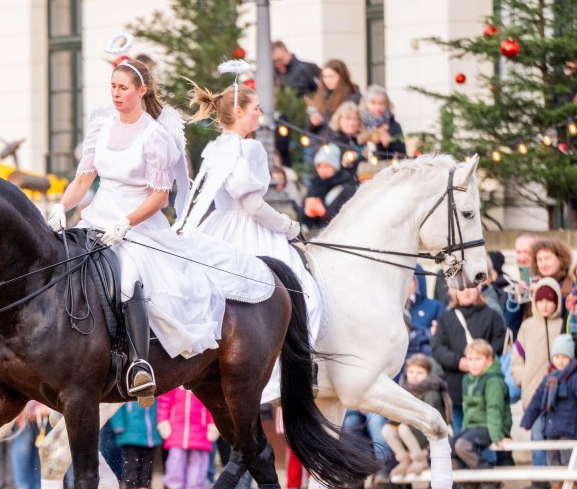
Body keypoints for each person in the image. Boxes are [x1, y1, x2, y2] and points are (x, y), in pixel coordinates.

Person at [48, 52, 273, 404]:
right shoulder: (101, 127)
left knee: (127, 279)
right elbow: (83, 178)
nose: (116, 94)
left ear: (141, 91)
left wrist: (126, 222)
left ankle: (139, 364)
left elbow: (160, 196)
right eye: (113, 87)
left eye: (123, 88)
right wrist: (61, 207)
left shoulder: (154, 136)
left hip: (140, 227)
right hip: (98, 217)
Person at [179, 77, 326, 390]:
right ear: (239, 110)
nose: (260, 115)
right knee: (304, 293)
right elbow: (252, 205)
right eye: (256, 109)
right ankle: (297, 370)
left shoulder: (215, 147)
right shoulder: (250, 148)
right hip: (248, 229)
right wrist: (288, 226)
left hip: (217, 227)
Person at [519, 334, 577, 489]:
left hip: (569, 427)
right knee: (552, 458)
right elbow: (536, 399)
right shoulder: (549, 378)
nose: (560, 361)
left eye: (564, 357)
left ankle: (573, 485)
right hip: (550, 427)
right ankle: (557, 484)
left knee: (568, 457)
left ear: (570, 358)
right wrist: (527, 421)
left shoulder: (576, 378)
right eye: (557, 357)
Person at [511, 278, 566, 489]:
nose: (544, 305)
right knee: (537, 437)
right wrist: (522, 379)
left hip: (560, 394)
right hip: (532, 392)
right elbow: (517, 358)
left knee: (558, 438)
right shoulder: (527, 326)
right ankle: (540, 479)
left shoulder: (562, 324)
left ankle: (560, 480)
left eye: (549, 300)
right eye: (540, 300)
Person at [432, 286, 507, 432]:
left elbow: (499, 342)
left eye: (471, 287)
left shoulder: (492, 316)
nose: (466, 292)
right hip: (455, 387)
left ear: (478, 289)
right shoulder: (445, 318)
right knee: (460, 434)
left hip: (486, 387)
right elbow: (438, 348)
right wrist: (458, 362)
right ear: (454, 292)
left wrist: (480, 360)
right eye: (461, 288)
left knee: (487, 433)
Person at [450, 339, 510, 489]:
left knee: (462, 445)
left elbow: (494, 410)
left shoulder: (493, 380)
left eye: (478, 359)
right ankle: (471, 482)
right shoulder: (467, 379)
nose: (473, 364)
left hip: (490, 427)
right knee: (447, 449)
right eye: (470, 359)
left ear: (489, 360)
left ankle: (491, 480)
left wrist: (498, 436)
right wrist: (462, 431)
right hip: (472, 428)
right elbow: (467, 410)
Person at [380, 353, 450, 477]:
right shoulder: (403, 389)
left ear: (427, 374)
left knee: (403, 428)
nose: (414, 376)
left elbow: (428, 418)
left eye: (419, 372)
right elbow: (398, 411)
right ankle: (404, 459)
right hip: (410, 428)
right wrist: (393, 418)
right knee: (387, 429)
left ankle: (419, 459)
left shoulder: (431, 391)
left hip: (427, 431)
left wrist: (405, 420)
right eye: (411, 372)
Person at [156, 387, 216, 489]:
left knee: (198, 463)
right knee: (175, 462)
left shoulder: (204, 384)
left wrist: (213, 424)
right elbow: (164, 402)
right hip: (177, 430)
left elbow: (213, 405)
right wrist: (163, 421)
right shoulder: (175, 384)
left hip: (200, 431)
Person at [110, 401, 159, 489]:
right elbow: (117, 409)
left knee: (147, 466)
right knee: (131, 465)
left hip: (150, 435)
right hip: (129, 434)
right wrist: (118, 425)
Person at [299, 143, 357, 232]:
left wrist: (324, 213)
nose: (321, 170)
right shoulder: (314, 186)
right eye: (319, 166)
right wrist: (306, 212)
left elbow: (348, 219)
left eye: (326, 166)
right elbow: (300, 218)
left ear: (335, 167)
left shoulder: (346, 189)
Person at [304, 59, 360, 141]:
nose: (328, 81)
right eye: (325, 77)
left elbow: (353, 126)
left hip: (342, 145)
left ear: (342, 76)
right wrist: (313, 123)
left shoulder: (352, 97)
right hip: (321, 144)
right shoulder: (321, 95)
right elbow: (308, 131)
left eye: (331, 77)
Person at [356, 85, 406, 161]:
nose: (377, 108)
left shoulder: (394, 126)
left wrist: (388, 144)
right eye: (373, 103)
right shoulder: (358, 124)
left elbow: (402, 155)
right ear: (365, 103)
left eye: (381, 103)